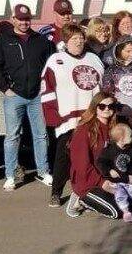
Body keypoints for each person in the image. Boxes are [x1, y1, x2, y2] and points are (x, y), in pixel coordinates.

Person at [0, 4, 55, 191]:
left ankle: (43, 171)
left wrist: (46, 88)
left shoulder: (41, 40)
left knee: (41, 135)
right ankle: (10, 175)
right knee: (12, 136)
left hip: (37, 96)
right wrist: (5, 88)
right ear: (13, 19)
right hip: (14, 96)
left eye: (27, 19)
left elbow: (50, 67)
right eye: (20, 19)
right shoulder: (3, 41)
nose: (24, 22)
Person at [40, 24, 104, 209]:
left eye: (80, 38)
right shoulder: (56, 60)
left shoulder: (94, 58)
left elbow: (103, 86)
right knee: (64, 157)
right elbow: (47, 89)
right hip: (68, 119)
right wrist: (53, 116)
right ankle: (56, 191)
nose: (78, 41)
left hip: (93, 117)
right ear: (65, 41)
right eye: (74, 38)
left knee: (94, 156)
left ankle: (91, 190)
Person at [65, 93, 121, 219]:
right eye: (102, 106)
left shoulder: (114, 128)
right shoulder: (84, 130)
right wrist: (102, 183)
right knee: (116, 212)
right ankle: (79, 199)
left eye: (110, 106)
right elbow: (81, 166)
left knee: (131, 204)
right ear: (95, 107)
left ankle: (95, 198)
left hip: (107, 176)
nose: (107, 109)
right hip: (88, 180)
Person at [97, 123, 132, 222]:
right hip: (115, 181)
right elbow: (101, 162)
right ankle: (126, 212)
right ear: (121, 138)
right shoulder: (109, 151)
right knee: (120, 196)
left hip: (128, 180)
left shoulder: (131, 150)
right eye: (130, 135)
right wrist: (109, 170)